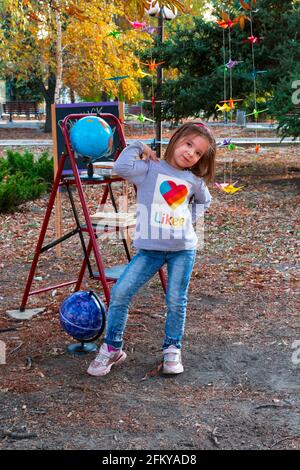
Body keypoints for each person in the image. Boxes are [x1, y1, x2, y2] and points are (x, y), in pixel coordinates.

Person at [87, 121, 216, 377]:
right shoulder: (150, 168)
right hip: (150, 250)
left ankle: (172, 348)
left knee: (176, 301)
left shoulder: (193, 181)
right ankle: (113, 347)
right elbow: (122, 167)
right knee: (121, 292)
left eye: (198, 152)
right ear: (177, 139)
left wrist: (190, 221)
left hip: (183, 249)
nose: (191, 153)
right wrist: (139, 145)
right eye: (189, 144)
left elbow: (205, 202)